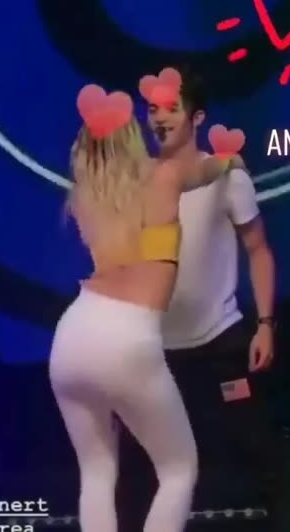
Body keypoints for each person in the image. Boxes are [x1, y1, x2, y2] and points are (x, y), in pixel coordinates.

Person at [49, 84, 244, 532]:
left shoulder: (84, 196)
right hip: (126, 335)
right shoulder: (163, 176)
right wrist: (233, 159)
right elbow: (208, 169)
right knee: (178, 470)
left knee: (97, 473)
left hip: (73, 334)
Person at [117, 66, 290, 532]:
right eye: (152, 109)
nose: (159, 118)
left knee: (260, 456)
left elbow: (259, 250)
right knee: (135, 473)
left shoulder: (227, 176)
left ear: (197, 118)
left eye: (171, 109)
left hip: (220, 341)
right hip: (154, 349)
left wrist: (265, 325)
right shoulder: (135, 180)